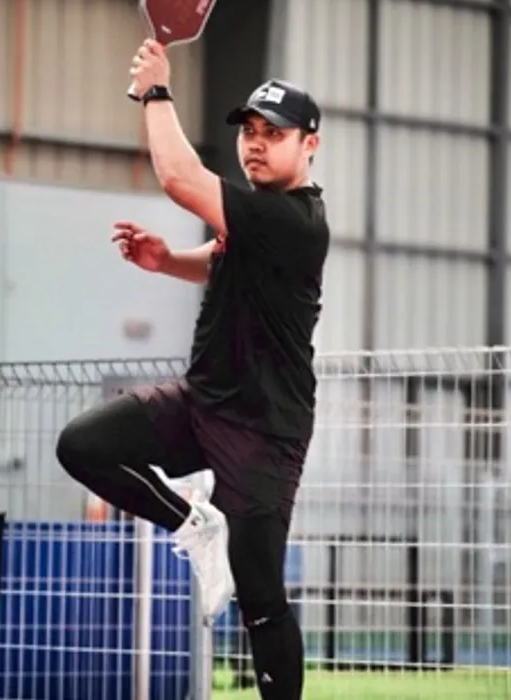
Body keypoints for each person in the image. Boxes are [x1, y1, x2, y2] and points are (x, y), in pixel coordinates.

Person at [56, 39, 329, 700]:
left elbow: (180, 178)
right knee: (83, 445)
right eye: (250, 131)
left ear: (310, 146)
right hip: (203, 399)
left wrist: (156, 90)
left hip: (264, 430)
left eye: (275, 134)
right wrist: (166, 261)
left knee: (260, 596)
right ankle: (191, 522)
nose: (256, 144)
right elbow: (223, 256)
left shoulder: (294, 220)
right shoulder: (256, 219)